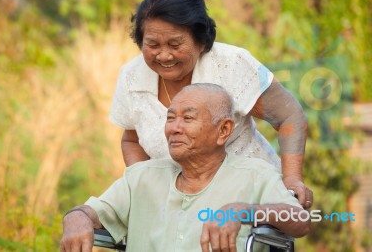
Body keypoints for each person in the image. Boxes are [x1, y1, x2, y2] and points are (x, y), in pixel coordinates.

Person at [110, 0, 313, 208]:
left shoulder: (230, 63)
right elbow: (132, 140)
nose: (164, 55)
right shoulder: (132, 77)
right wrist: (144, 189)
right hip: (181, 208)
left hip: (252, 202)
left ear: (201, 41)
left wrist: (292, 179)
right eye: (152, 45)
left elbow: (289, 116)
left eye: (175, 44)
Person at [61, 84, 310, 252]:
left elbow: (300, 220)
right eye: (170, 118)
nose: (174, 128)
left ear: (223, 130)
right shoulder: (141, 177)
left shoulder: (255, 175)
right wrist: (76, 218)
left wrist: (244, 211)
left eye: (188, 118)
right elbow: (90, 212)